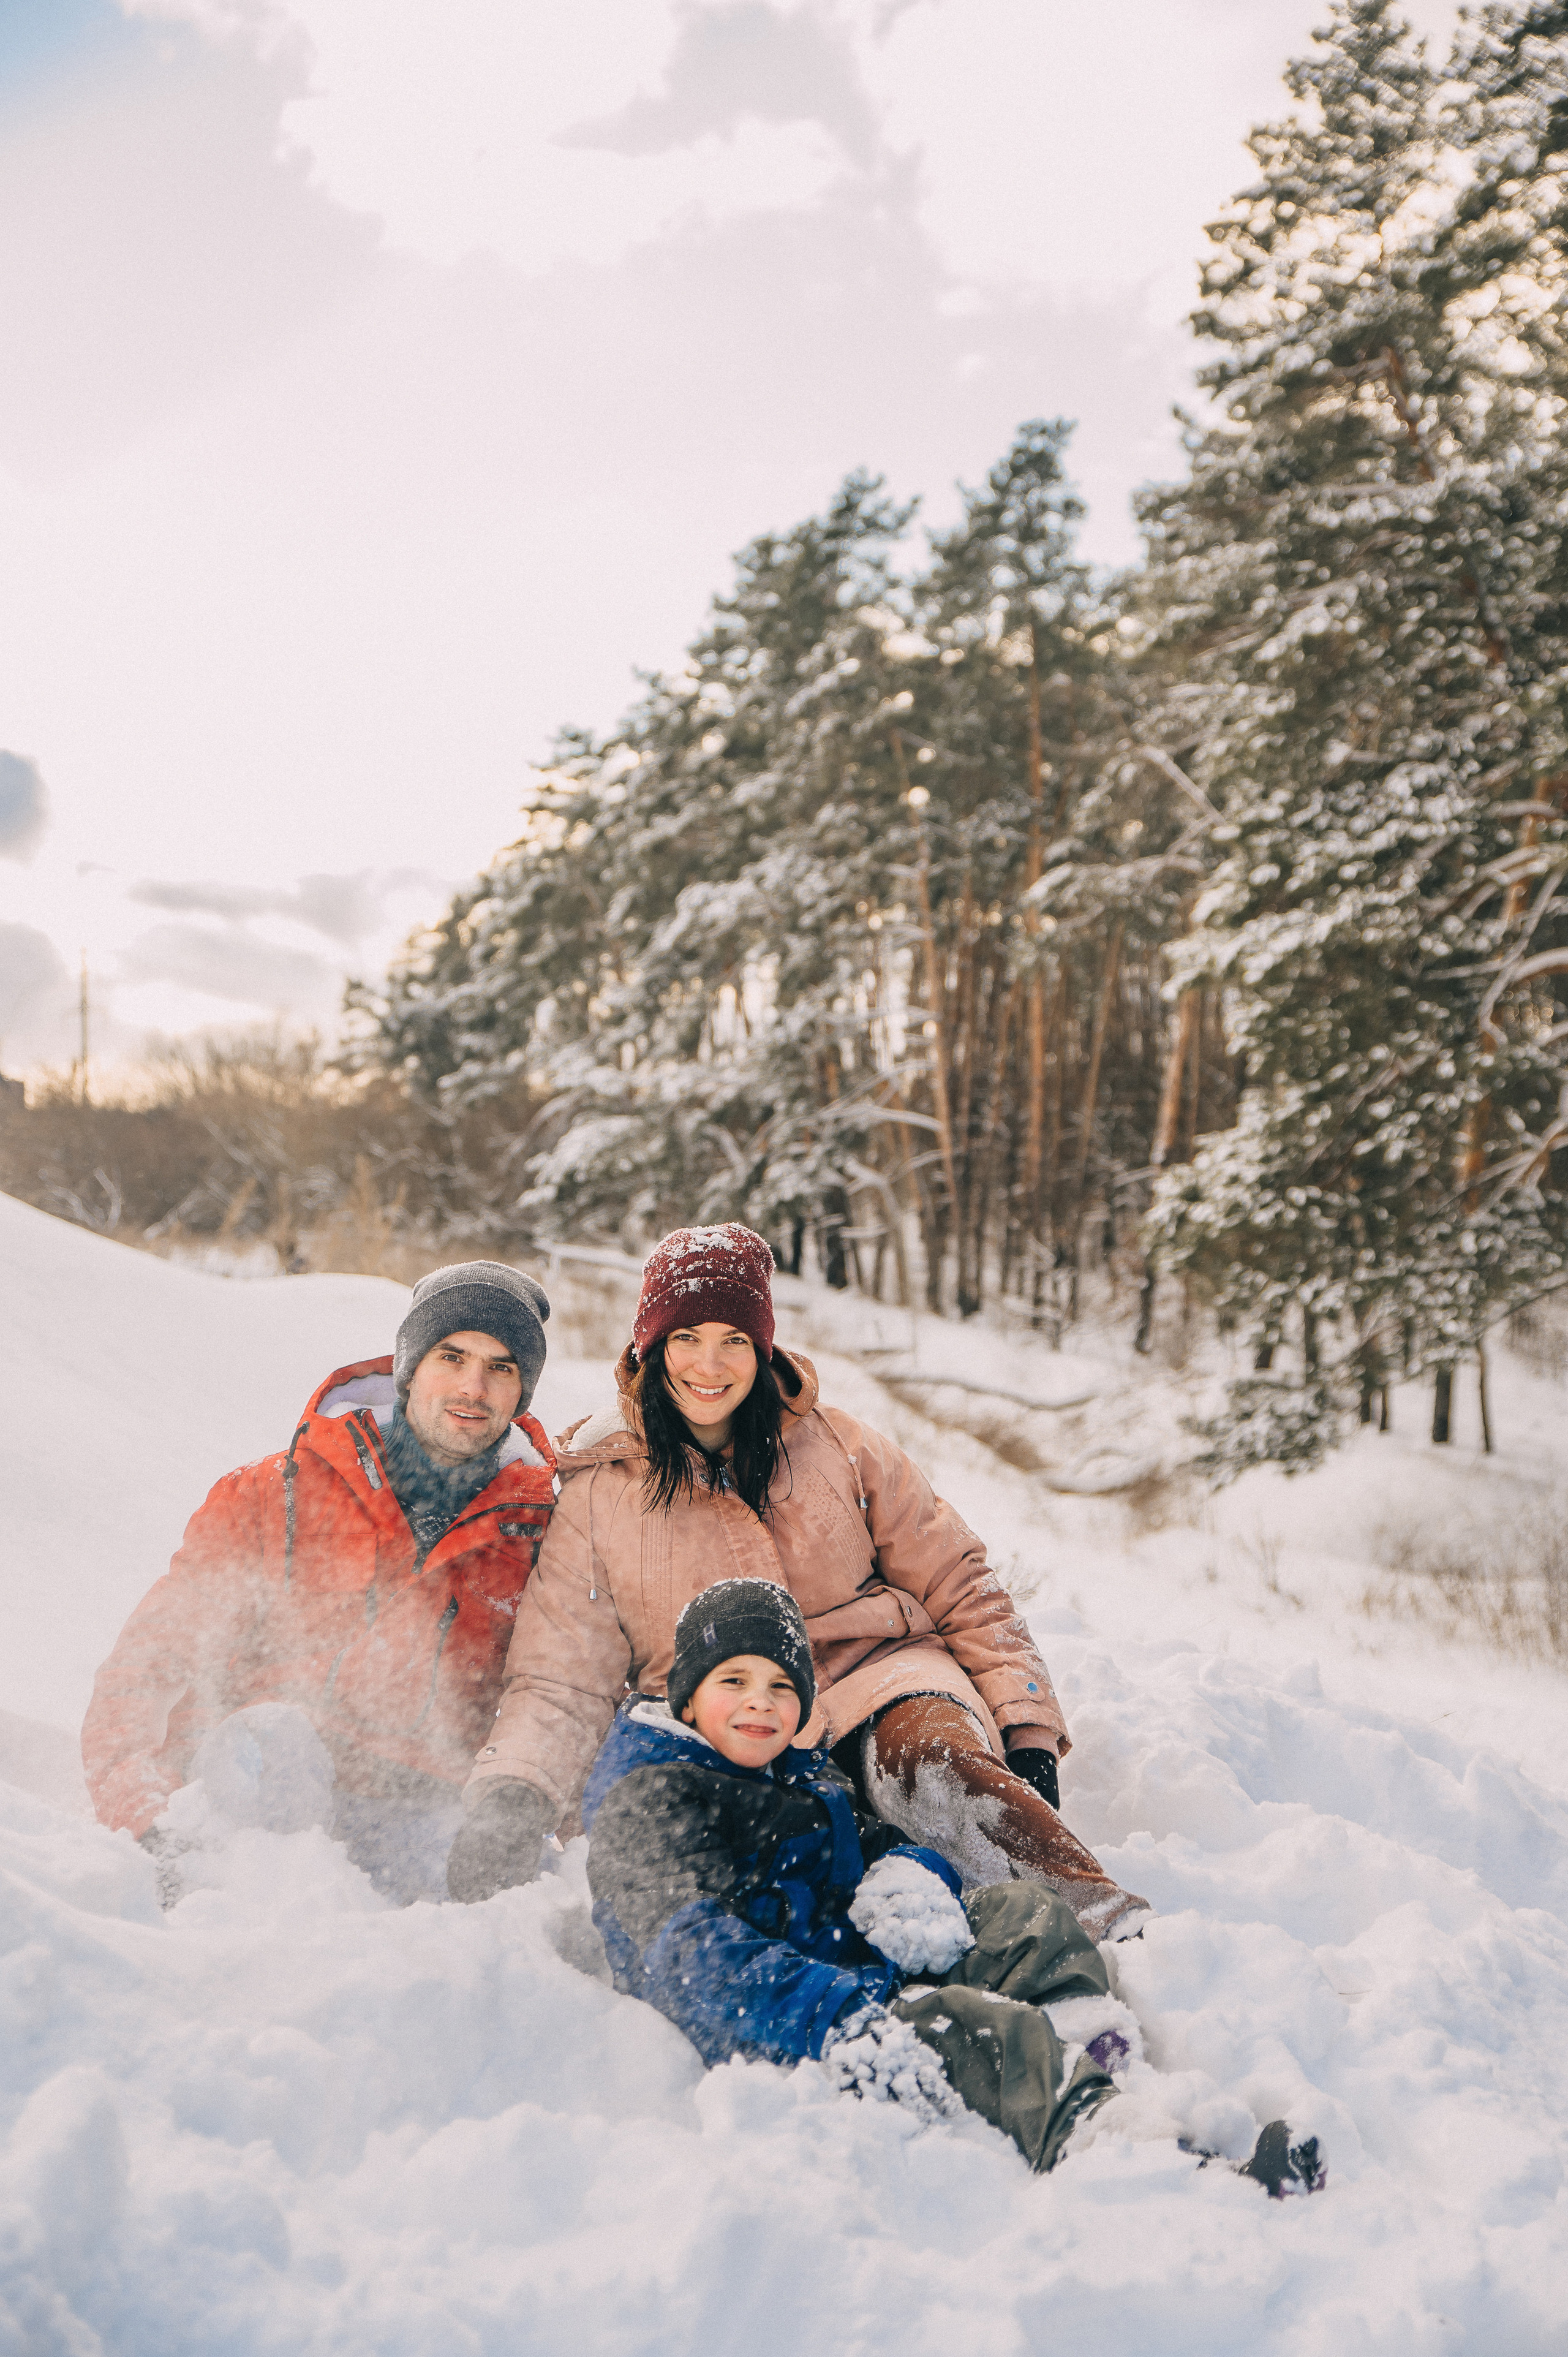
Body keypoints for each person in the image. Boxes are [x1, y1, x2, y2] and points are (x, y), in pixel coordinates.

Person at [447, 1221, 1148, 1940]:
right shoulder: (601, 1492)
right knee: (756, 1888)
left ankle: (1106, 1930)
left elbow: (960, 1582)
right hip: (723, 1728)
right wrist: (514, 1792)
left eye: (734, 1340)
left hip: (877, 1682)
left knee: (932, 1768)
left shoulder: (838, 1444)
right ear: (649, 1346)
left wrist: (1024, 1724)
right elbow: (561, 1676)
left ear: (763, 1347)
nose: (709, 1364)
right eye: (685, 1338)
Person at [584, 1580, 1325, 2195]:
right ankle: (1131, 2154)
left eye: (783, 1686)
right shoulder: (652, 1799)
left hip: (848, 1956)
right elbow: (691, 1960)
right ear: (685, 1698)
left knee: (1025, 1917)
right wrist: (840, 2012)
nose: (761, 1703)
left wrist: (912, 1876)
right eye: (733, 1681)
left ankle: (1100, 2056)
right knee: (980, 2029)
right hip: (789, 2016)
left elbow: (871, 1841)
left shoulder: (791, 1766)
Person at [82, 1260, 556, 1903]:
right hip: (255, 1797)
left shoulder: (541, 1532)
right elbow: (144, 1667)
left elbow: (557, 1697)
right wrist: (145, 1817)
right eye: (453, 1355)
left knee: (526, 1905)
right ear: (411, 1365)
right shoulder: (272, 1494)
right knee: (275, 1736)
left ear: (521, 1390)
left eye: (502, 1367)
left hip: (420, 1811)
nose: (474, 1386)